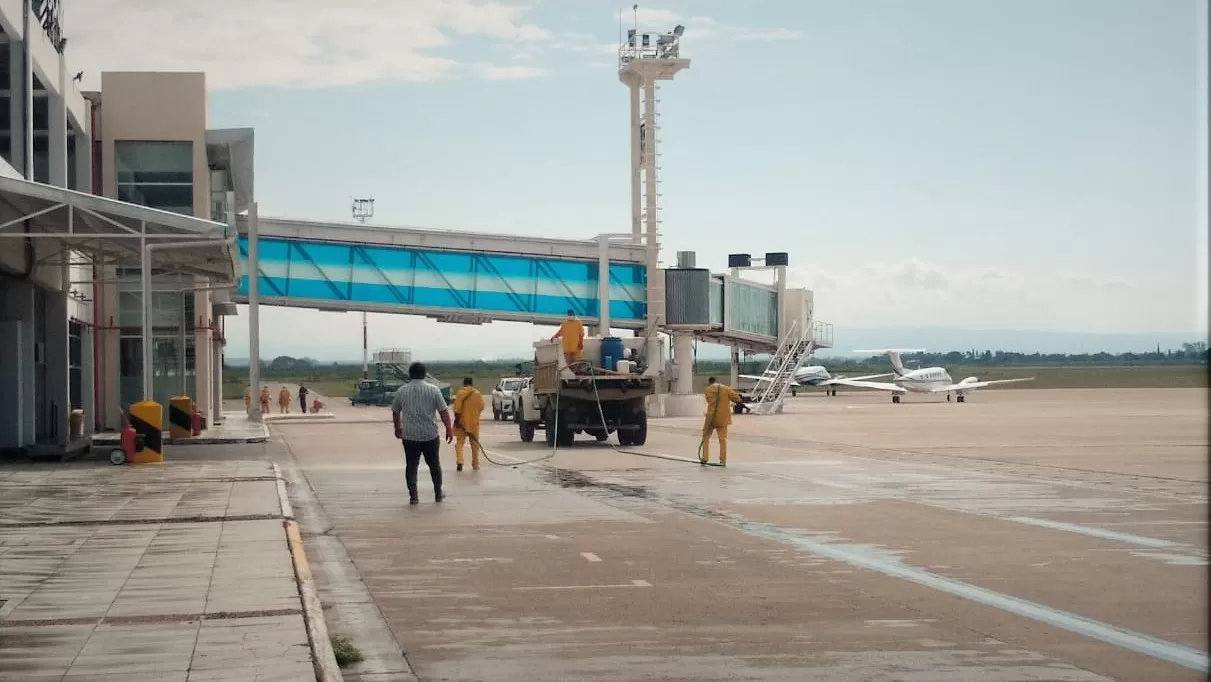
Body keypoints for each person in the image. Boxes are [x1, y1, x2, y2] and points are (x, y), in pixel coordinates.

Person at [391, 362, 454, 505]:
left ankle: (413, 496)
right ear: (425, 374)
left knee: (411, 465)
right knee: (434, 464)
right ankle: (438, 493)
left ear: (410, 374)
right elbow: (443, 411)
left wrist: (397, 428)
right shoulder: (434, 390)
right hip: (430, 434)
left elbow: (395, 410)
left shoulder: (402, 391)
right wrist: (449, 429)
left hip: (410, 435)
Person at [701, 377, 742, 467]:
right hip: (722, 417)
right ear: (717, 381)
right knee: (722, 439)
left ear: (710, 382)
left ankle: (705, 457)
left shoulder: (708, 390)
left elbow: (709, 401)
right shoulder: (726, 388)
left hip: (711, 418)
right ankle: (723, 460)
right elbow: (736, 398)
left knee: (705, 437)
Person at [451, 377, 484, 472]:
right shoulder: (477, 394)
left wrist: (457, 422)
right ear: (472, 383)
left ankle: (460, 462)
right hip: (474, 423)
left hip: (462, 423)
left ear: (464, 383)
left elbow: (457, 409)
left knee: (459, 444)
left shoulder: (460, 393)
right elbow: (481, 407)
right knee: (474, 445)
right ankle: (475, 463)